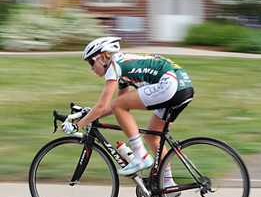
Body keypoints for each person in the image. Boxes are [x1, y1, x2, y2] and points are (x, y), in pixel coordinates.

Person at [61, 37, 194, 178]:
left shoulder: (114, 65)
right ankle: (168, 184)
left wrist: (78, 126)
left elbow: (104, 105)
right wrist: (90, 115)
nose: (91, 67)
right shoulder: (122, 66)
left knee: (119, 106)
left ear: (101, 58)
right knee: (152, 137)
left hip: (170, 84)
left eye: (91, 62)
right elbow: (115, 106)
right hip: (183, 88)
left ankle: (140, 156)